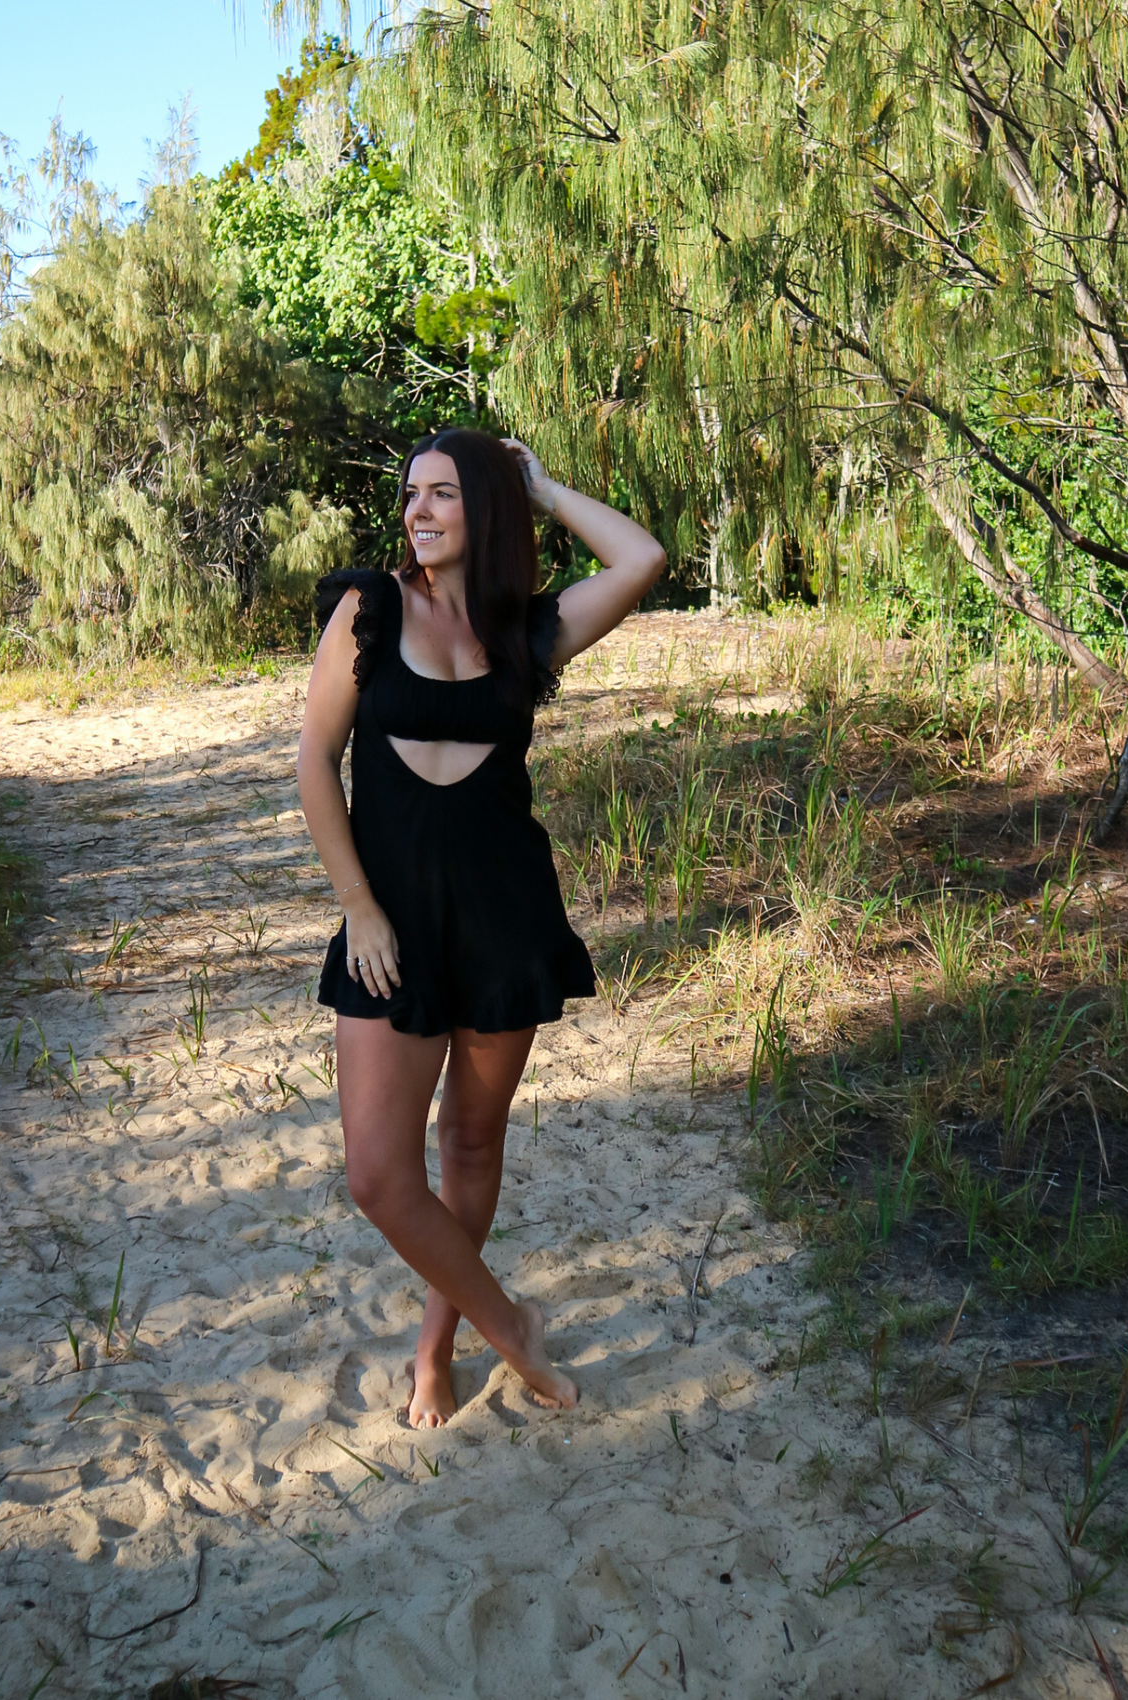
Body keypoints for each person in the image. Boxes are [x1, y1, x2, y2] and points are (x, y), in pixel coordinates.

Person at [296, 427, 667, 1428]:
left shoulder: (525, 629)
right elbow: (311, 762)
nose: (418, 510)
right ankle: (513, 1325)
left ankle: (433, 1348)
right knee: (378, 1174)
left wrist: (540, 486)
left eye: (445, 494)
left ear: (484, 510)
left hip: (504, 915)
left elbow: (641, 560)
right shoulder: (369, 608)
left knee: (468, 1142)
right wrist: (358, 908)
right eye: (411, 493)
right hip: (393, 926)